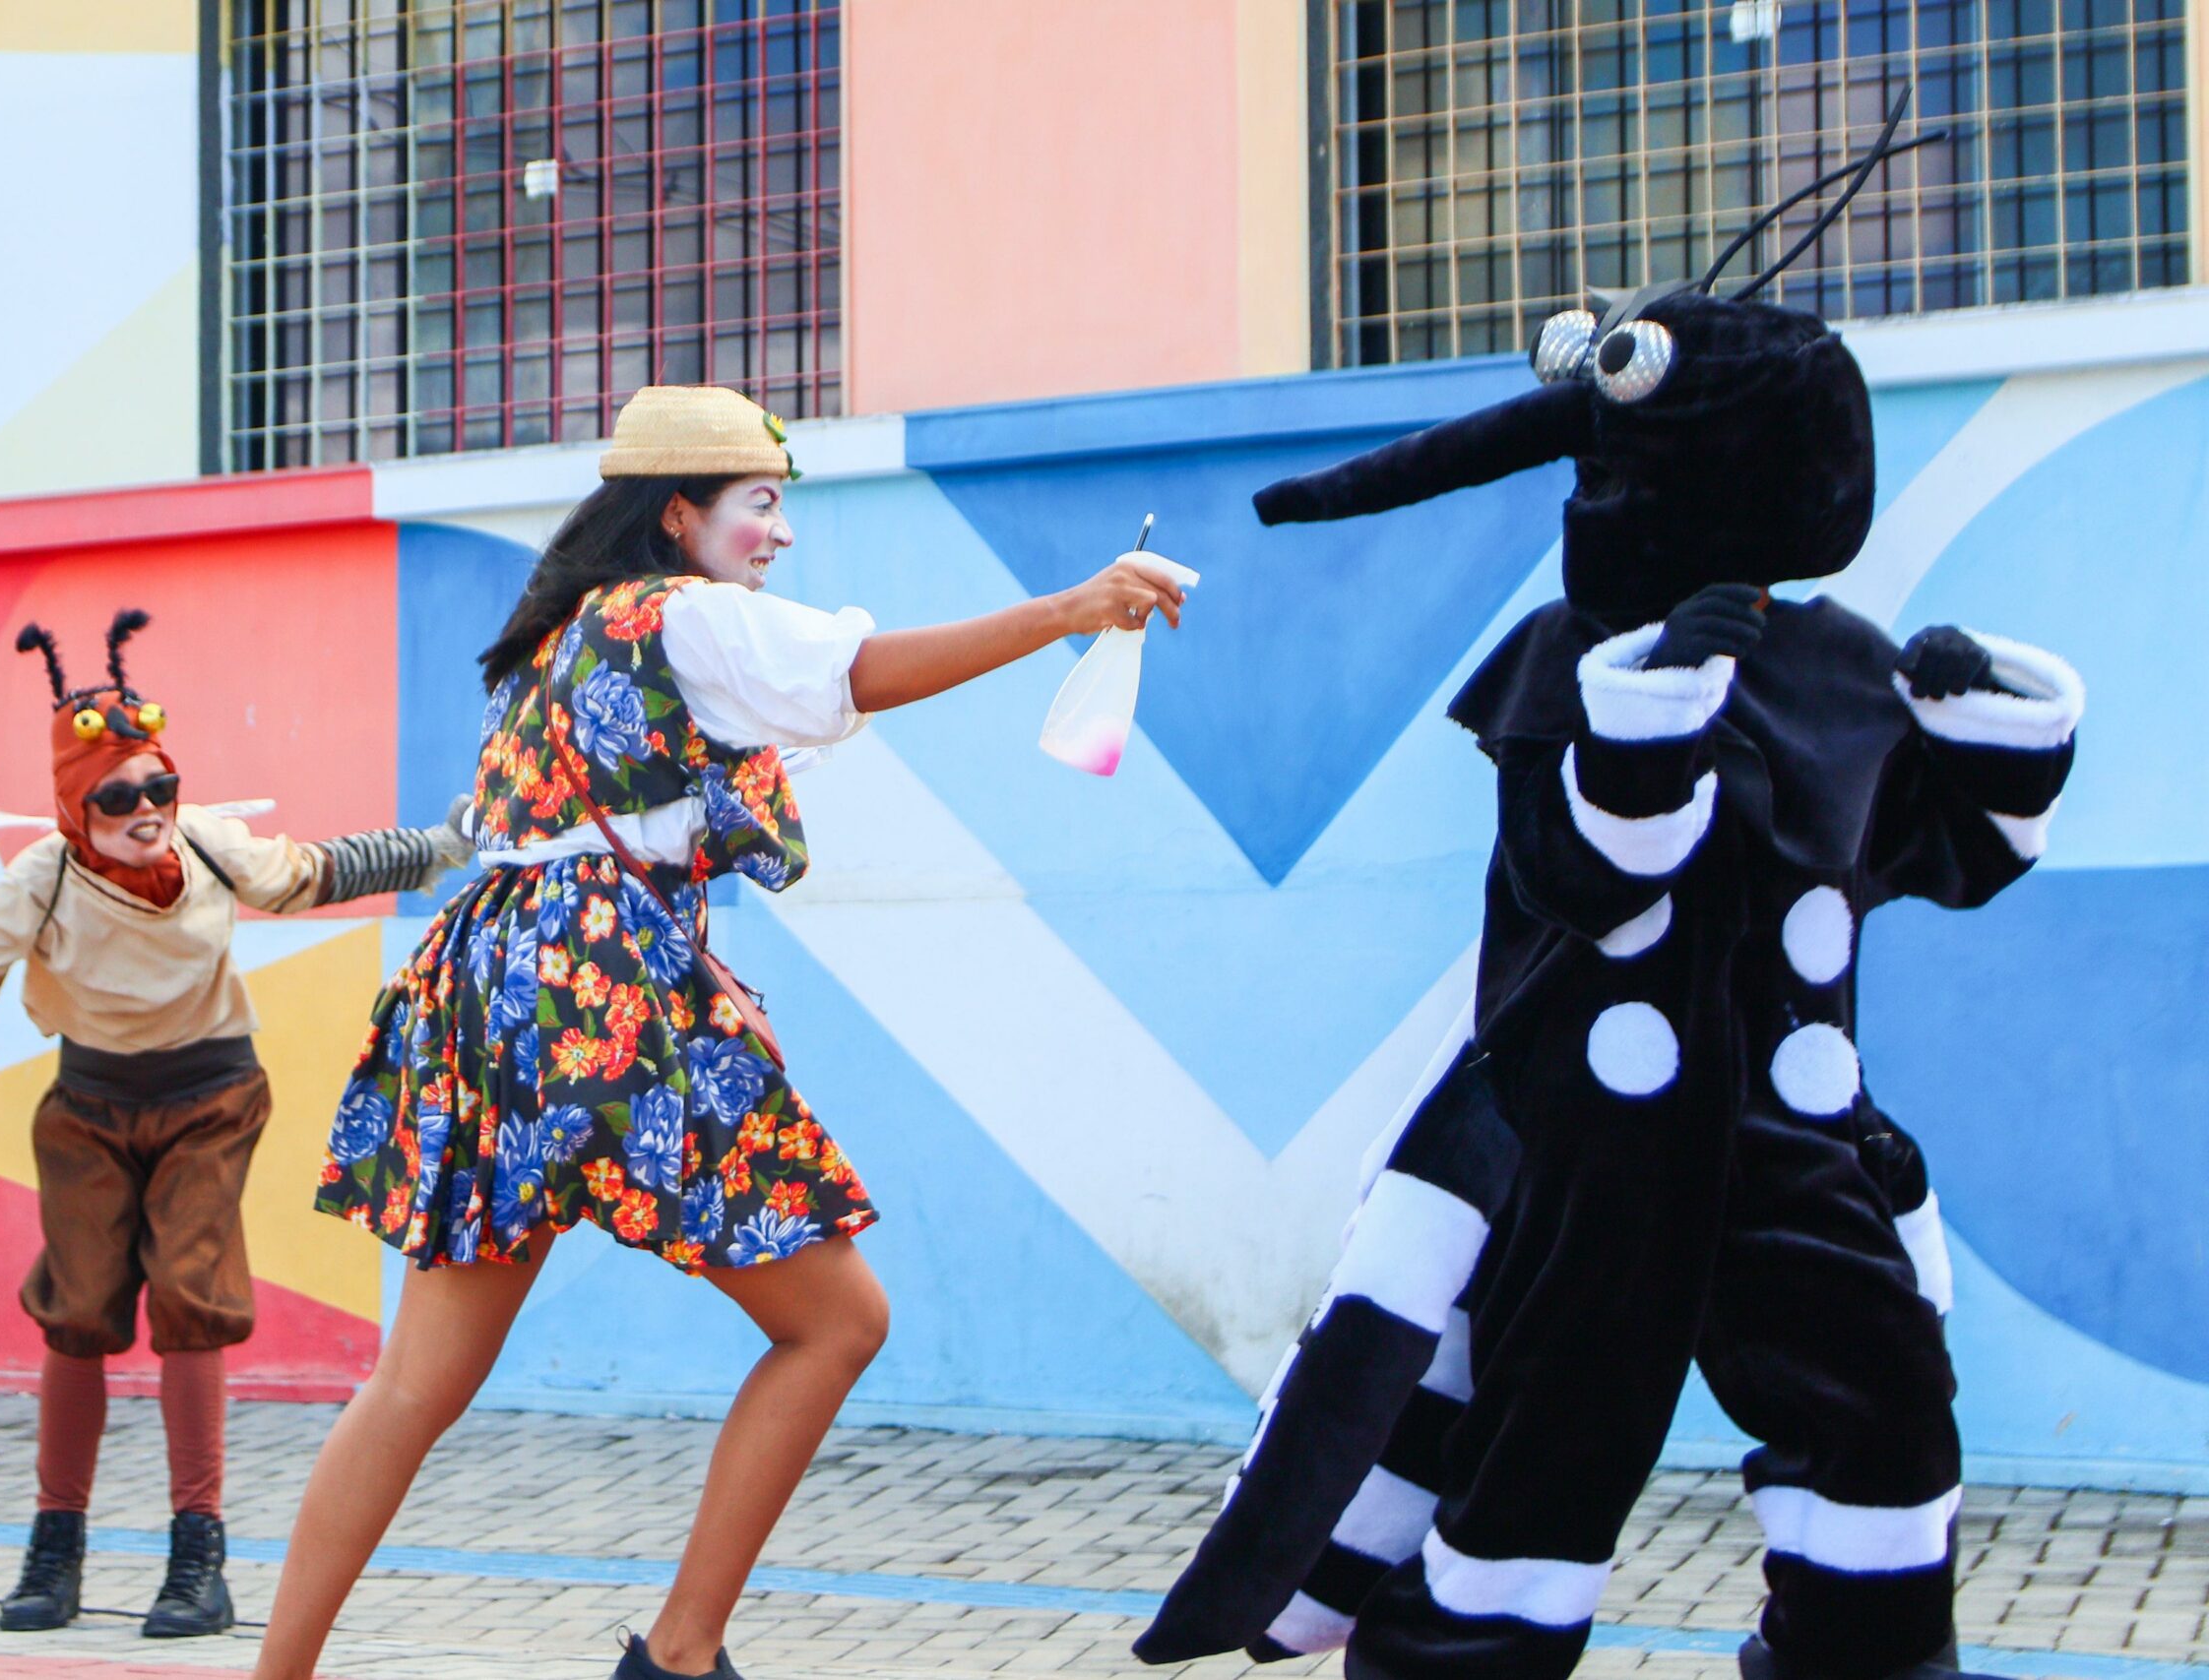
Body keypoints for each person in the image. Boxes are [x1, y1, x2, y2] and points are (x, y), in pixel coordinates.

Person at [1138, 124, 2077, 1680]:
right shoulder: (1574, 665)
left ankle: (1859, 1651)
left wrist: (2002, 725)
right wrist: (1654, 709)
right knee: (1540, 1463)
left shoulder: (1846, 664)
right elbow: (1580, 875)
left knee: (1889, 1419)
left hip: (1798, 1145)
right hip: (1595, 1160)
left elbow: (1946, 855)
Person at [255, 384, 1192, 1680]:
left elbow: (541, 827)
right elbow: (859, 672)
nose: (779, 533)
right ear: (677, 514)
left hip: (489, 996)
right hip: (604, 998)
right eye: (761, 505)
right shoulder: (688, 617)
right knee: (836, 1320)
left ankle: (278, 1673)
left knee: (414, 1383)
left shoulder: (565, 645)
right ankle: (683, 1648)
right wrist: (1070, 610)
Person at [0, 611, 473, 1639]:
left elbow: (311, 872)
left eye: (159, 785)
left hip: (209, 1098)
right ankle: (55, 1545)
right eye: (117, 797)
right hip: (88, 1108)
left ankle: (196, 1558)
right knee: (76, 1311)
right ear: (76, 809)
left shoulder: (207, 840)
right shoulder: (43, 876)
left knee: (191, 1299)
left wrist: (440, 846)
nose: (147, 809)